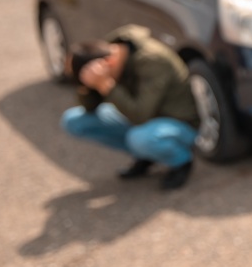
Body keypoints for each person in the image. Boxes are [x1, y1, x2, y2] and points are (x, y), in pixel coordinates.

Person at [61, 24, 200, 191]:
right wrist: (88, 87)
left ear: (108, 62)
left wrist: (106, 84)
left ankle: (182, 160)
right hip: (141, 117)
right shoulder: (110, 52)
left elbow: (140, 115)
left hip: (179, 122)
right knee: (74, 120)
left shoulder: (152, 60)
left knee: (139, 138)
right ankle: (146, 154)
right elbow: (90, 107)